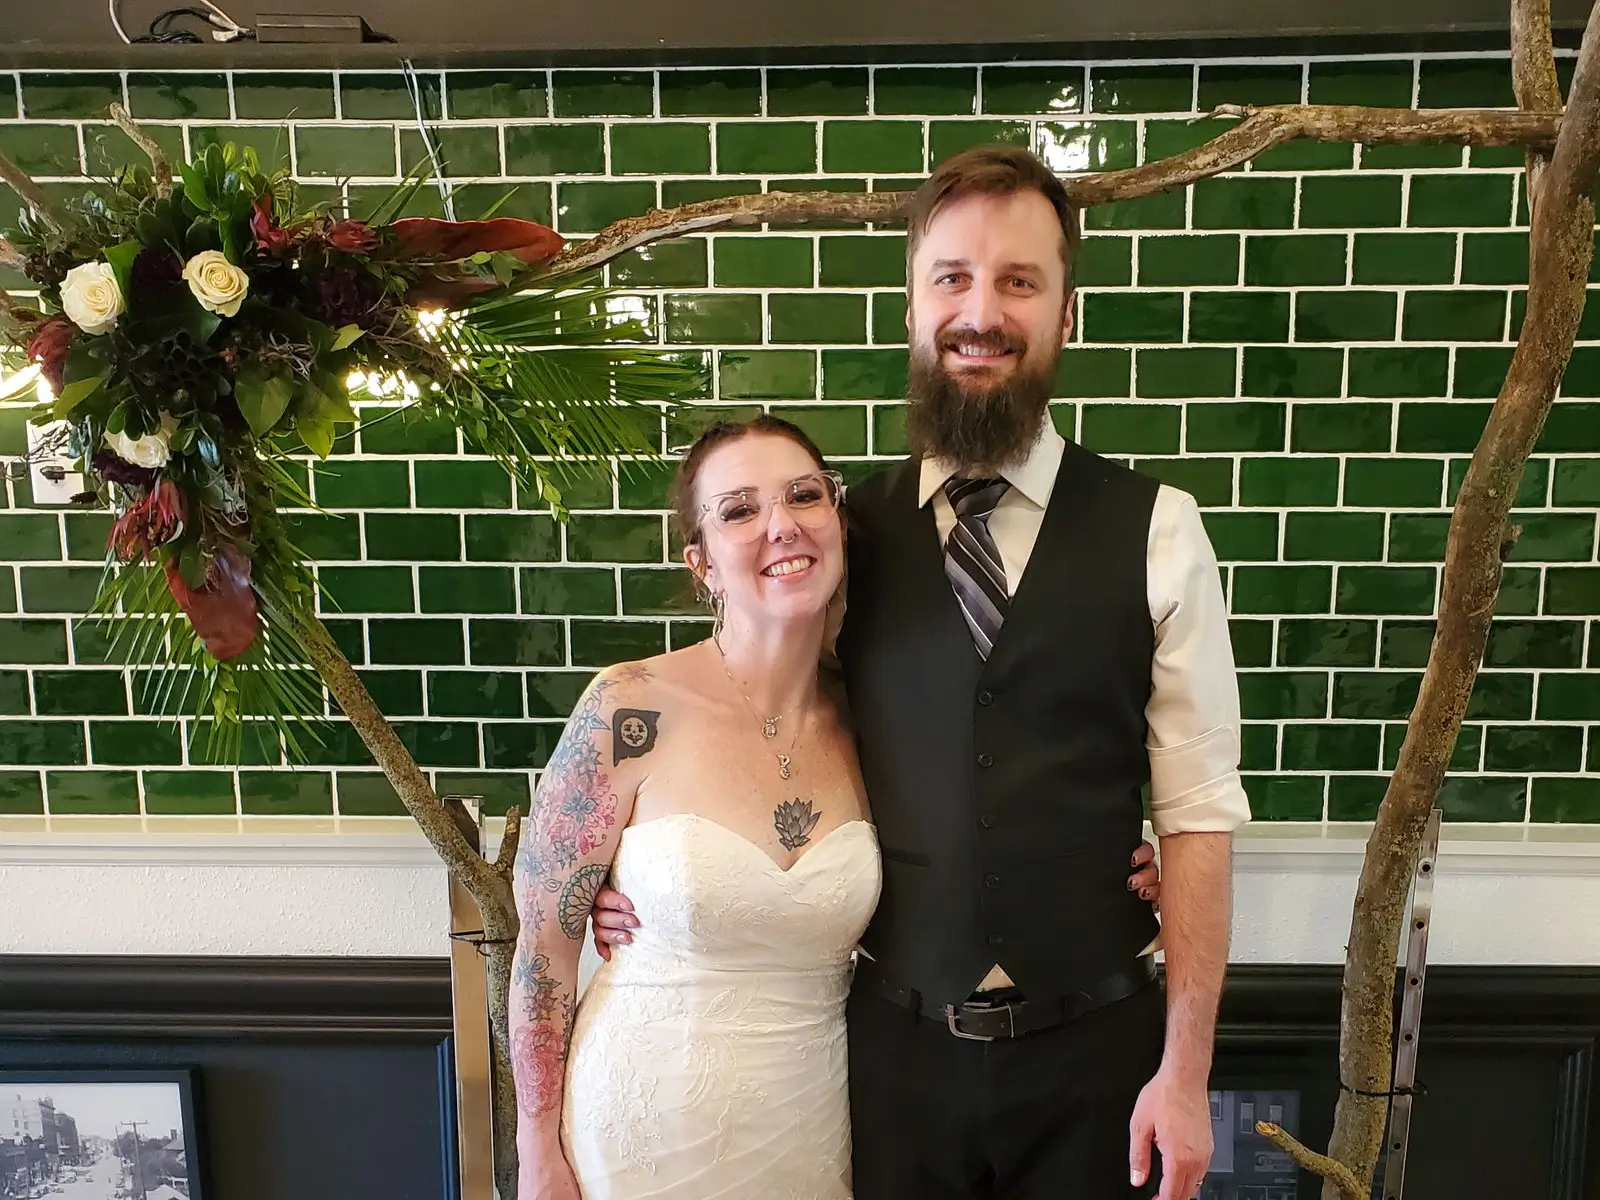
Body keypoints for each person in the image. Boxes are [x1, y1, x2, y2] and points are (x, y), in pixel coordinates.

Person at [591, 144, 1249, 1200]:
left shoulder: (1161, 531)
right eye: (950, 278)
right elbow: (760, 726)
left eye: (1017, 281)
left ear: (1064, 314)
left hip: (1100, 1058)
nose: (979, 312)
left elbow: (1200, 817)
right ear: (911, 308)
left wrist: (1185, 1074)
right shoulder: (838, 535)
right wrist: (632, 883)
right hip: (892, 1060)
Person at [510, 413, 1163, 1199]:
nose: (781, 525)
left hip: (814, 1119)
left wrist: (1106, 859)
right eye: (740, 510)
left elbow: (988, 820)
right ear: (703, 563)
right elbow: (543, 949)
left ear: (841, 525)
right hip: (644, 1117)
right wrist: (538, 1150)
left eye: (804, 496)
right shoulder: (629, 710)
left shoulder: (876, 718)